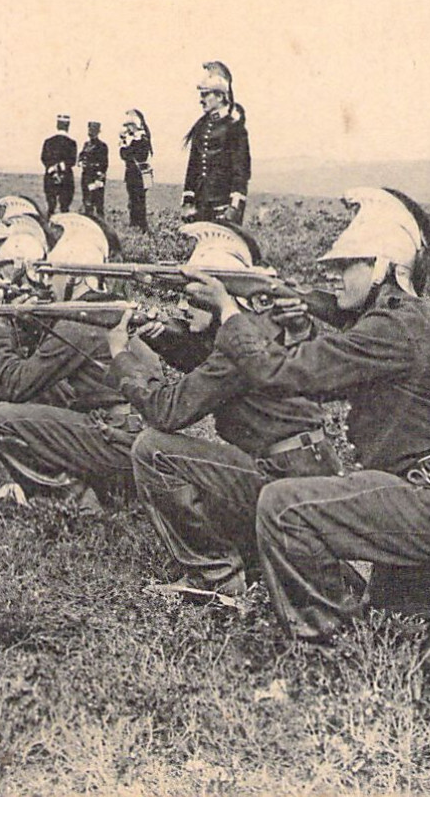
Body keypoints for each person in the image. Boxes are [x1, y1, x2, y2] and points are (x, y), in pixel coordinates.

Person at [183, 188, 430, 666]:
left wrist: (229, 311)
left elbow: (282, 373)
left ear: (383, 268)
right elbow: (335, 321)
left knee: (283, 505)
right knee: (399, 633)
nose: (336, 275)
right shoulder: (406, 319)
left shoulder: (393, 327)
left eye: (348, 265)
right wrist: (298, 303)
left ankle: (322, 650)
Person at [106, 221, 337, 599]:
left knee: (153, 449)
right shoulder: (257, 329)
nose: (182, 306)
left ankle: (216, 577)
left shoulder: (237, 345)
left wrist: (122, 358)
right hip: (306, 471)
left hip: (281, 479)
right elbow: (211, 363)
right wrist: (162, 336)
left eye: (196, 298)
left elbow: (166, 411)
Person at [0, 213, 141, 510]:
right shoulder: (102, 308)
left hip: (118, 441)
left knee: (0, 419)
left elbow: (16, 386)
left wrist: (0, 328)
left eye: (54, 274)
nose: (48, 282)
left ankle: (75, 499)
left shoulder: (79, 323)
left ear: (74, 276)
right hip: (128, 432)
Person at [182, 62, 251, 223]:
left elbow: (241, 172)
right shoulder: (201, 127)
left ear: (220, 97)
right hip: (201, 206)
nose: (201, 100)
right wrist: (188, 201)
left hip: (224, 207)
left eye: (206, 95)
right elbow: (193, 166)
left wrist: (234, 207)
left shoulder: (234, 128)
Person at [119, 110, 153, 232]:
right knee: (133, 199)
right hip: (132, 173)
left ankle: (141, 225)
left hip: (138, 174)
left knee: (138, 200)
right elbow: (124, 155)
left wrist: (126, 145)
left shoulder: (141, 138)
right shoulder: (135, 139)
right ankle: (135, 224)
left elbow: (131, 155)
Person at [41, 114, 78, 215]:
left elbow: (44, 158)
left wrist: (52, 168)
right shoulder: (72, 143)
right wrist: (62, 167)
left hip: (50, 176)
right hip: (66, 177)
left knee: (51, 206)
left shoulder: (48, 142)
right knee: (65, 207)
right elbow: (73, 161)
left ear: (57, 125)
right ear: (68, 126)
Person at [79, 121, 110, 219]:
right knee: (87, 203)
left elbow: (104, 164)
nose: (91, 133)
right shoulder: (86, 145)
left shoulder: (102, 146)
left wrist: (99, 179)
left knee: (98, 204)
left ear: (97, 132)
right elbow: (80, 156)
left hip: (96, 178)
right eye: (90, 130)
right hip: (86, 177)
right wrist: (80, 162)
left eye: (93, 131)